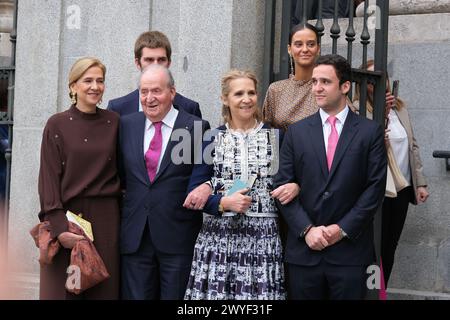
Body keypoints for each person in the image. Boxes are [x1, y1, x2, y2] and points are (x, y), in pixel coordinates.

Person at [274, 54, 387, 300]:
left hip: (350, 254)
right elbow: (281, 185)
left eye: (325, 82)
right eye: (314, 81)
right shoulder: (296, 132)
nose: (317, 88)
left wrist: (340, 229)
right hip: (304, 253)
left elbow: (375, 188)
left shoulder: (370, 132)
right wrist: (307, 230)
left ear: (345, 86)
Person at [183, 69, 298, 300]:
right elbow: (195, 193)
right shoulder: (210, 138)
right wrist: (224, 202)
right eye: (238, 94)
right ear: (225, 99)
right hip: (219, 238)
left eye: (251, 93)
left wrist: (296, 186)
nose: (246, 99)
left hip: (262, 238)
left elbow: (291, 179)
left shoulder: (277, 137)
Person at [119, 64, 210, 300]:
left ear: (172, 92)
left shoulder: (195, 128)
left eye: (156, 91)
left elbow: (205, 174)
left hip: (177, 237)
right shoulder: (127, 126)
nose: (149, 98)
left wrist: (207, 186)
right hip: (136, 238)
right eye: (143, 92)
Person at [38, 57, 121, 299]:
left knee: (102, 290)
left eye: (100, 81)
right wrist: (59, 229)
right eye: (88, 80)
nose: (95, 86)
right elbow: (48, 180)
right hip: (68, 221)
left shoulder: (114, 122)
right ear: (73, 86)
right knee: (69, 288)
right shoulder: (57, 125)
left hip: (106, 221)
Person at [354, 60, 429, 287]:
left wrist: (421, 183)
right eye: (372, 79)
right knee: (373, 244)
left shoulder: (400, 108)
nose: (378, 83)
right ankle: (370, 290)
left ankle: (380, 289)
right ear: (363, 83)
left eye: (382, 77)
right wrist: (382, 113)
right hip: (376, 188)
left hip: (403, 187)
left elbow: (412, 146)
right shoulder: (357, 109)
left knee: (390, 244)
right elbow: (367, 144)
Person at [107, 30, 202, 118]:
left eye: (161, 60)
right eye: (149, 60)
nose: (155, 65)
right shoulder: (116, 109)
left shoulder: (191, 108)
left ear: (169, 62)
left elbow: (197, 135)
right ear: (137, 63)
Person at [263, 23, 320, 132]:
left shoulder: (327, 88)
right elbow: (267, 131)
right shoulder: (276, 90)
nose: (305, 49)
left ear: (318, 49)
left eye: (311, 44)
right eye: (298, 44)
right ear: (289, 49)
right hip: (283, 148)